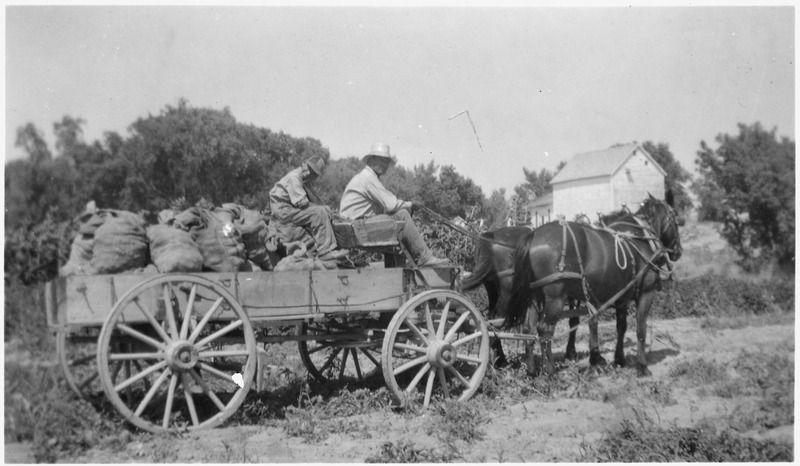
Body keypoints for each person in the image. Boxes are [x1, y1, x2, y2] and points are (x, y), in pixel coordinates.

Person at [339, 143, 450, 267]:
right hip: (357, 227)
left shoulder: (366, 177)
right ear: (371, 159)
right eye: (380, 160)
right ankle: (424, 257)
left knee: (394, 224)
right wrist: (411, 204)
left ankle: (396, 270)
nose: (384, 164)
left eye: (386, 161)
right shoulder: (368, 178)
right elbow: (391, 204)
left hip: (354, 226)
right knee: (401, 214)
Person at [269, 156, 346, 261]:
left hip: (289, 208)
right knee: (319, 213)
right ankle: (325, 251)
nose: (310, 173)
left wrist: (326, 209)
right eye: (309, 168)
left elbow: (315, 201)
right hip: (282, 210)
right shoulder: (294, 178)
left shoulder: (305, 180)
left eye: (313, 173)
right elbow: (303, 203)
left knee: (323, 210)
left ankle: (332, 246)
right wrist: (322, 209)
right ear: (303, 164)